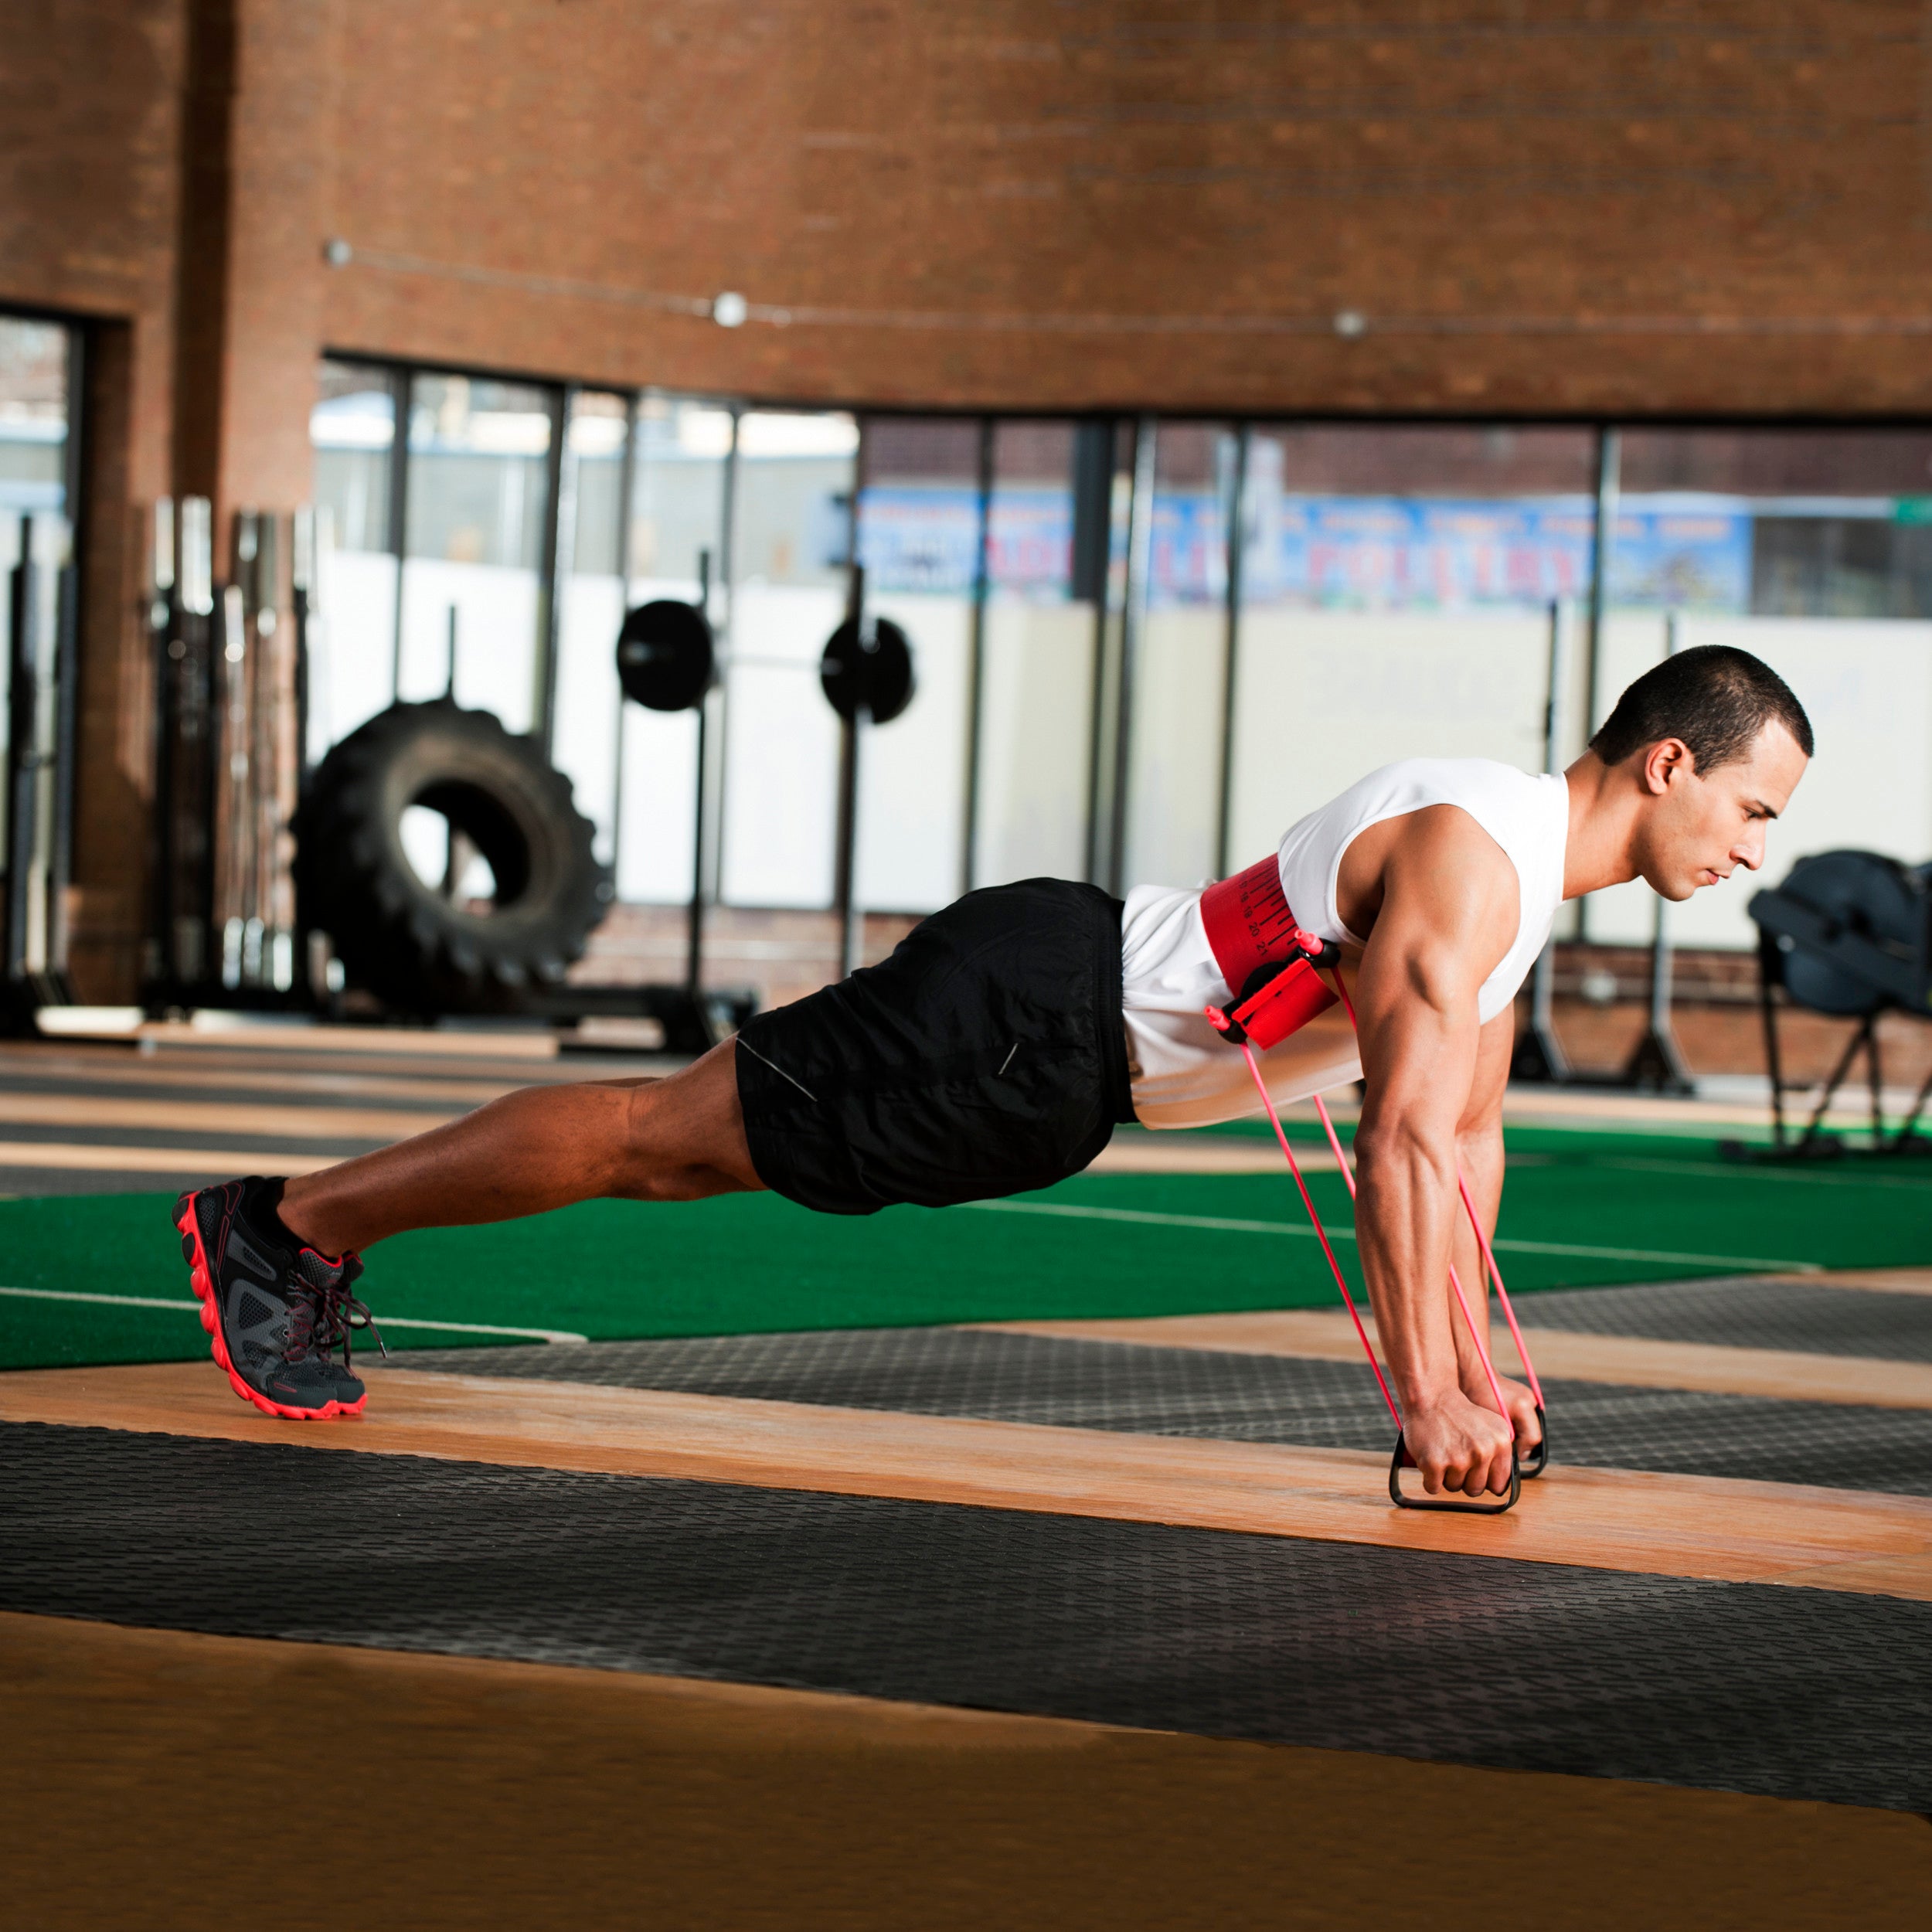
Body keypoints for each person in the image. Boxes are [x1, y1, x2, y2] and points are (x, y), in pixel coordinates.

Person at [175, 645, 1811, 1498]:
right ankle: (289, 1222)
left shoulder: (1517, 888)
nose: (1750, 851)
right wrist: (1425, 1394)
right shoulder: (1475, 852)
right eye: (1749, 810)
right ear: (1668, 762)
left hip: (1050, 1064)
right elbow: (1390, 1136)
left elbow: (1466, 1150)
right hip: (1029, 1011)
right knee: (659, 1141)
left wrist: (1479, 1368)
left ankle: (301, 1227)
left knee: (672, 1143)